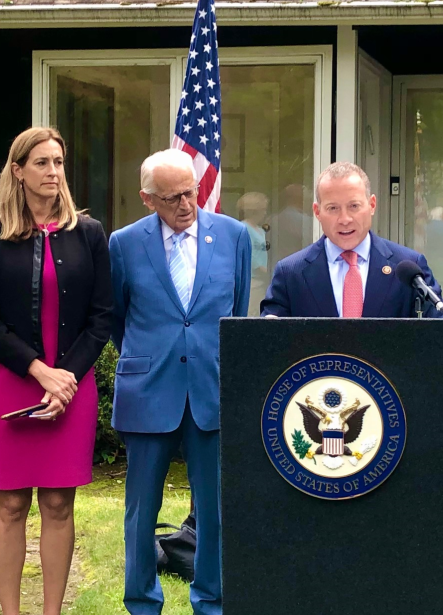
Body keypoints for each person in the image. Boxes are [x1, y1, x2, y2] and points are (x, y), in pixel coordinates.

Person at [0, 127, 113, 615]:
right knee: (9, 506)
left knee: (57, 505)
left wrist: (64, 378)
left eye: (59, 162)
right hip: (8, 382)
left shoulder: (88, 234)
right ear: (18, 170)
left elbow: (101, 317)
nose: (54, 172)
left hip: (72, 386)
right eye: (42, 163)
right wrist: (40, 372)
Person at [109, 149, 251, 615]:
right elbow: (116, 318)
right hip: (148, 390)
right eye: (172, 198)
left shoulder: (233, 236)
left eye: (190, 192)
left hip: (212, 389)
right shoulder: (124, 243)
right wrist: (149, 359)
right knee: (140, 512)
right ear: (148, 199)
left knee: (214, 510)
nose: (185, 204)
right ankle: (142, 602)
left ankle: (211, 600)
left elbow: (237, 312)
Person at [261, 162, 443, 367]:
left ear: (371, 205)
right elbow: (270, 336)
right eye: (333, 208)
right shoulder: (291, 273)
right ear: (317, 212)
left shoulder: (408, 266)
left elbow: (437, 324)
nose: (345, 219)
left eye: (354, 206)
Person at [237, 191, 270, 316]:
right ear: (254, 210)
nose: (265, 213)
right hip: (252, 282)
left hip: (263, 282)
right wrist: (265, 271)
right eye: (263, 209)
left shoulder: (261, 230)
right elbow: (250, 255)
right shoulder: (242, 228)